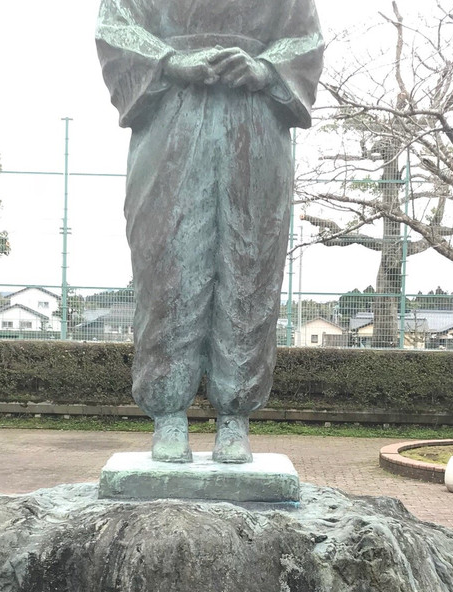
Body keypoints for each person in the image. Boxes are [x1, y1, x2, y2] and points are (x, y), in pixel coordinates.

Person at [96, 0, 323, 463]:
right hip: (169, 118)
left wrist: (265, 70)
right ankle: (168, 414)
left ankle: (235, 418)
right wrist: (171, 62)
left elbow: (306, 39)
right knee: (167, 266)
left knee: (250, 266)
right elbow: (114, 26)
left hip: (255, 120)